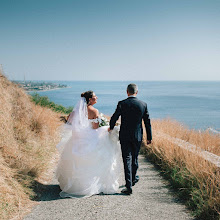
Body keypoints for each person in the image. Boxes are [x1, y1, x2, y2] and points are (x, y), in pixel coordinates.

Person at [56, 91, 121, 198]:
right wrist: (102, 124)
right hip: (90, 137)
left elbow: (70, 123)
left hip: (77, 138)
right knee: (99, 157)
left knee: (76, 161)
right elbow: (95, 127)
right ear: (90, 100)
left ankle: (76, 186)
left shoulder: (74, 112)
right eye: (95, 97)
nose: (97, 98)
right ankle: (94, 184)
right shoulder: (94, 111)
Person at [108, 83, 152, 195]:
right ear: (137, 92)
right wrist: (149, 137)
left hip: (124, 136)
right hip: (137, 136)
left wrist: (111, 127)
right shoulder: (143, 104)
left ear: (127, 92)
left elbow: (114, 117)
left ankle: (129, 186)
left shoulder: (122, 103)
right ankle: (132, 179)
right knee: (135, 158)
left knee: (126, 158)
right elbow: (147, 122)